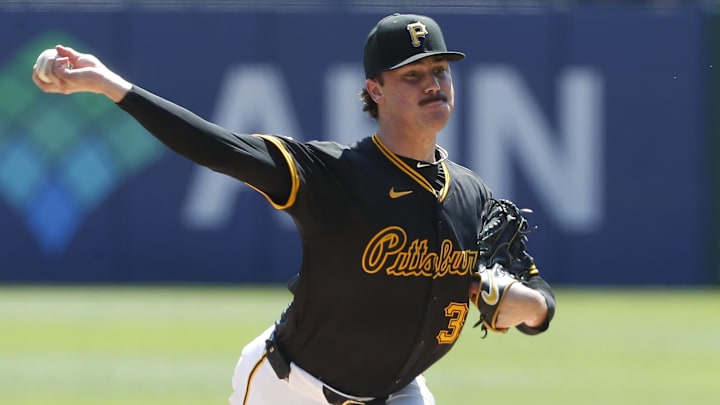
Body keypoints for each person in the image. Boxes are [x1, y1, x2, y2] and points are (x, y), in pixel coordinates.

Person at [32, 13, 555, 405]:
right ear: (375, 90)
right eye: (411, 76)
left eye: (439, 70)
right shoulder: (334, 175)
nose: (433, 84)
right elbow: (219, 147)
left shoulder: (475, 196)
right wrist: (111, 87)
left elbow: (539, 294)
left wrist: (531, 307)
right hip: (292, 389)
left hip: (399, 393)